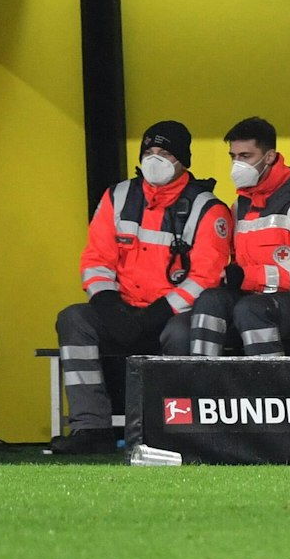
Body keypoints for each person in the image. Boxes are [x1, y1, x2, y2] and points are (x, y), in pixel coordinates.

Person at [54, 120, 233, 455]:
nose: (154, 159)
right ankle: (90, 427)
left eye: (164, 152)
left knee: (183, 333)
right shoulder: (118, 197)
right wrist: (107, 304)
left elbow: (207, 278)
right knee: (74, 320)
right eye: (149, 151)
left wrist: (155, 314)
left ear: (183, 160)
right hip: (122, 308)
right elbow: (96, 258)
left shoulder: (207, 208)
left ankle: (172, 428)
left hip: (172, 315)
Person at [190, 117, 290, 357]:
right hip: (262, 300)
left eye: (245, 156)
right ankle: (199, 384)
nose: (237, 164)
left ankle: (269, 388)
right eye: (233, 156)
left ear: (269, 157)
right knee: (210, 301)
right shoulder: (241, 204)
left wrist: (249, 277)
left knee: (252, 310)